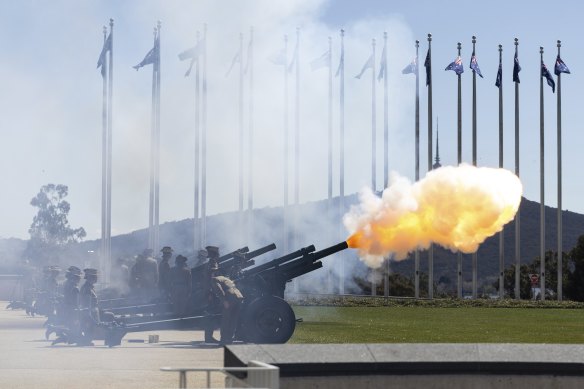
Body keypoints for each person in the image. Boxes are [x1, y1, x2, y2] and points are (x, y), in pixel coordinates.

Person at [210, 265, 244, 345]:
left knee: (226, 320)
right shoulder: (227, 279)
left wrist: (224, 300)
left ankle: (223, 341)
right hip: (239, 297)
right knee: (233, 320)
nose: (212, 273)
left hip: (231, 298)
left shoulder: (215, 278)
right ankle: (229, 340)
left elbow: (218, 289)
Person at [78, 268, 99, 346]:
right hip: (89, 313)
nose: (96, 278)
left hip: (91, 312)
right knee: (89, 327)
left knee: (90, 328)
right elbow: (87, 305)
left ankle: (86, 340)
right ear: (90, 278)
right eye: (95, 277)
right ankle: (86, 340)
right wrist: (91, 318)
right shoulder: (87, 289)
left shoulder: (90, 287)